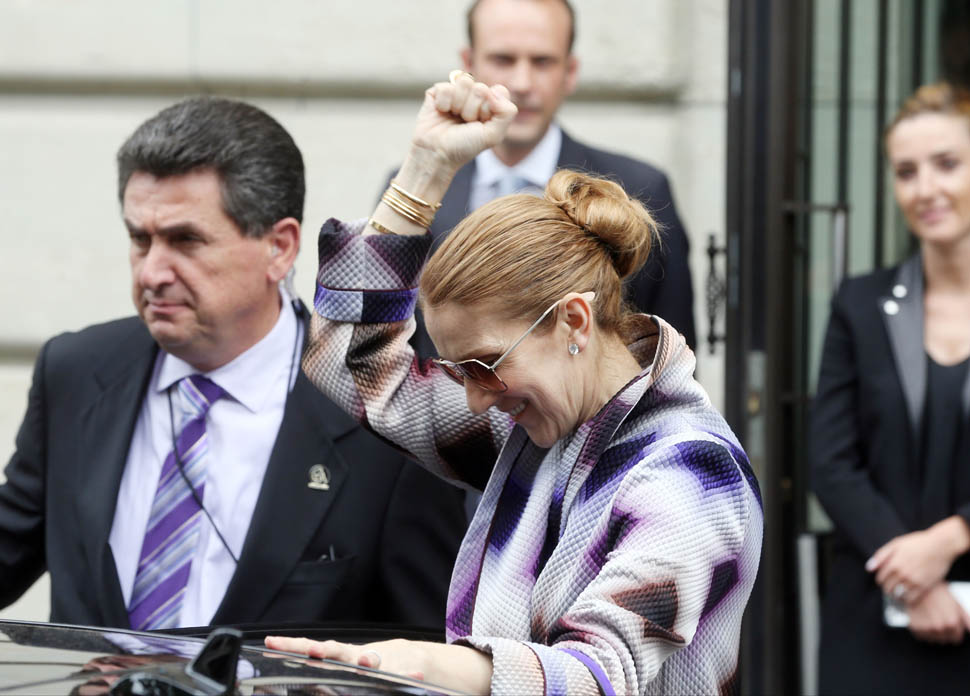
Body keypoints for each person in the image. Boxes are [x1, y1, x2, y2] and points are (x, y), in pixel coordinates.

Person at [267, 73, 762, 694]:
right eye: (459, 371)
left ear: (573, 320)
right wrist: (424, 171)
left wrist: (421, 666)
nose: (476, 399)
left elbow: (595, 675)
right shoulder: (543, 428)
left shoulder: (690, 474)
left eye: (484, 364)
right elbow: (348, 361)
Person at [0, 97, 466, 631]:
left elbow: (424, 645)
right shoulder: (76, 372)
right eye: (139, 239)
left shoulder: (381, 416)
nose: (152, 272)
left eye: (185, 241)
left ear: (280, 248)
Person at [391, 0, 696, 362]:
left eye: (542, 62)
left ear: (570, 71)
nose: (522, 83)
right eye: (503, 59)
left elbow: (673, 360)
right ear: (468, 64)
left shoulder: (641, 189)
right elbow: (384, 343)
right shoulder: (415, 191)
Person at [811, 82, 970, 694]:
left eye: (946, 164)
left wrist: (950, 540)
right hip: (874, 616)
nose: (925, 189)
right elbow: (831, 462)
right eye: (906, 172)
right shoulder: (860, 304)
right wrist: (913, 575)